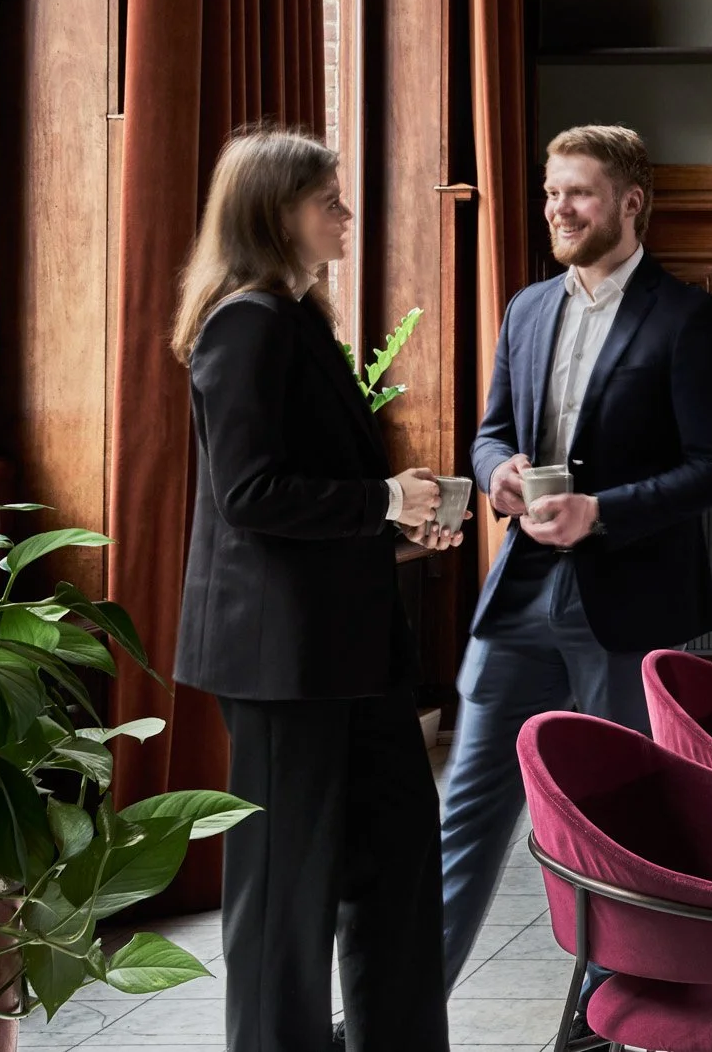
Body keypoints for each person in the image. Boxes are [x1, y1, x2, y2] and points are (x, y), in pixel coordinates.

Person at [171, 127, 464, 1052]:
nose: (345, 214)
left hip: (351, 648)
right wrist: (382, 499)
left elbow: (313, 486)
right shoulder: (244, 323)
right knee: (283, 897)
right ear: (272, 213)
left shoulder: (298, 317)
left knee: (397, 863)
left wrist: (398, 515)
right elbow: (250, 496)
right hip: (281, 659)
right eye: (327, 200)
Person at [440, 124, 712, 987]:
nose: (558, 210)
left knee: (618, 824)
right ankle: (404, 1013)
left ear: (629, 202)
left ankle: (609, 1016)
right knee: (467, 809)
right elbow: (492, 432)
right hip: (519, 598)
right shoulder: (526, 309)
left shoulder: (688, 317)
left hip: (628, 602)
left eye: (576, 193)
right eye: (549, 194)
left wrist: (600, 513)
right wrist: (497, 474)